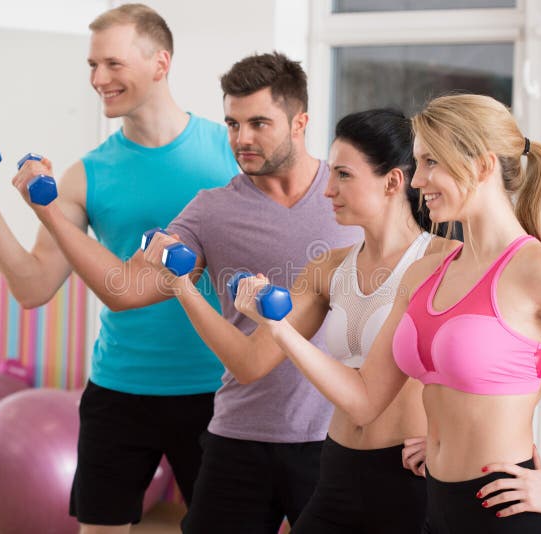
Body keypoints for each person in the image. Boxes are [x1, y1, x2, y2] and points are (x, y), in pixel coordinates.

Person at [237, 93, 541, 533]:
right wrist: (279, 331)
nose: (417, 181)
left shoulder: (540, 271)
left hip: (507, 514)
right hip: (439, 507)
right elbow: (364, 399)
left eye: (431, 162)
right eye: (418, 163)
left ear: (482, 165)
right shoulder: (426, 272)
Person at [10, 51, 362, 533]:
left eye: (259, 123)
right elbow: (125, 290)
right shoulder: (211, 212)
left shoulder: (348, 200)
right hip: (239, 435)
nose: (242, 139)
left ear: (300, 121)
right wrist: (49, 213)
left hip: (335, 436)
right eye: (233, 124)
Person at [0, 4, 239, 533]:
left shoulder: (229, 155)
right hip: (120, 387)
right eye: (91, 65)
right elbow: (33, 286)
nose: (98, 79)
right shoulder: (86, 174)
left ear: (160, 62)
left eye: (113, 63)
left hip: (218, 387)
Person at [147, 107, 457, 533]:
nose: (328, 190)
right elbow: (250, 362)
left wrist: (452, 436)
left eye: (343, 175)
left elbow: (521, 366)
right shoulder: (329, 268)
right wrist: (181, 286)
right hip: (337, 469)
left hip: (410, 479)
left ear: (393, 181)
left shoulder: (444, 262)